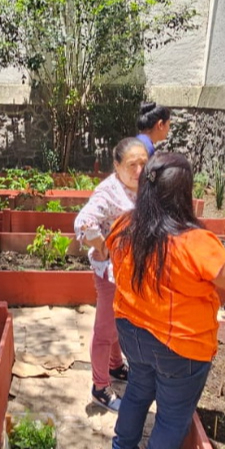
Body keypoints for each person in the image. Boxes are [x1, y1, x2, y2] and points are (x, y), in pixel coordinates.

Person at [107, 153, 225, 449]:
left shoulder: (124, 226)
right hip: (180, 344)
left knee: (138, 390)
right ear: (184, 194)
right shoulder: (194, 242)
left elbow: (111, 259)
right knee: (173, 414)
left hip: (132, 330)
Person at [74, 137, 149, 413]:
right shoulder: (108, 192)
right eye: (132, 164)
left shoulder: (143, 186)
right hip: (111, 274)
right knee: (105, 330)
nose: (140, 170)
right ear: (116, 165)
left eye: (144, 163)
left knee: (119, 320)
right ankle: (100, 387)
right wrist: (101, 247)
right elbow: (83, 223)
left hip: (132, 270)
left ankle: (116, 367)